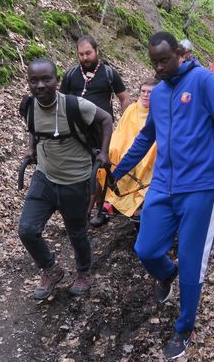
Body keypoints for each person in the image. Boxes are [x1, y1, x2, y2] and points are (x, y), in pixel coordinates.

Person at [112, 32, 214, 359]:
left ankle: (184, 327)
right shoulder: (157, 95)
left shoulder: (202, 81)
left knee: (191, 261)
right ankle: (168, 275)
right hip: (162, 187)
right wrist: (114, 172)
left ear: (179, 54)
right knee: (146, 248)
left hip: (200, 188)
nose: (159, 67)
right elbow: (147, 138)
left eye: (164, 60)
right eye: (154, 61)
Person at [19, 58, 112, 299]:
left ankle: (83, 273)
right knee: (27, 230)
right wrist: (31, 148)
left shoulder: (75, 105)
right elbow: (34, 128)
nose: (40, 85)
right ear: (28, 82)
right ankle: (50, 269)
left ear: (56, 81)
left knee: (77, 233)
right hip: (45, 178)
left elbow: (106, 120)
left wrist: (103, 152)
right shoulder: (29, 106)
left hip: (76, 181)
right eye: (34, 80)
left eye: (46, 79)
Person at [60, 34, 130, 225]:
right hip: (76, 132)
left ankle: (101, 208)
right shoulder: (71, 75)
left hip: (102, 131)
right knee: (80, 171)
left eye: (88, 53)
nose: (85, 57)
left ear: (97, 50)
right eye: (81, 54)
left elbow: (124, 97)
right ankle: (87, 208)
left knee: (100, 170)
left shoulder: (108, 73)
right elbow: (61, 101)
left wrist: (125, 121)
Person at [100, 78, 159, 218]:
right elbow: (121, 131)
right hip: (129, 146)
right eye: (143, 91)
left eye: (149, 92)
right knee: (113, 154)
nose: (145, 95)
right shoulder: (132, 109)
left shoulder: (159, 112)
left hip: (148, 149)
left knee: (146, 161)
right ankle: (110, 200)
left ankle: (139, 202)